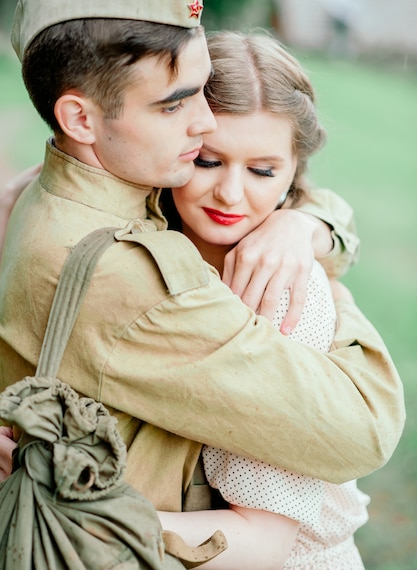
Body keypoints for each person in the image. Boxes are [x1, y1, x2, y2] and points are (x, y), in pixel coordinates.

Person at [0, 0, 405, 522]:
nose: (205, 122)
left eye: (201, 90)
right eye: (175, 104)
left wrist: (306, 227)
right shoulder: (129, 278)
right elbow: (363, 429)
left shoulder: (64, 184)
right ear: (80, 118)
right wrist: (326, 289)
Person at [156, 31, 378, 570]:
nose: (230, 193)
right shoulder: (154, 249)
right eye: (207, 160)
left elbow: (267, 540)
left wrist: (88, 520)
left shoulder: (283, 290)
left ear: (295, 170)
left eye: (262, 169)